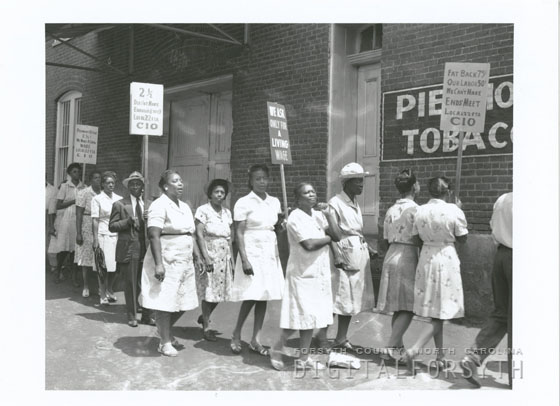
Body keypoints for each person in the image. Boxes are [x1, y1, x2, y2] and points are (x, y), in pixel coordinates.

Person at [270, 183, 339, 371]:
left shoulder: (318, 215)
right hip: (302, 273)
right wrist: (328, 239)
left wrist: (329, 215)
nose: (312, 195)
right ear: (298, 198)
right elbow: (308, 244)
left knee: (311, 317)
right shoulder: (295, 218)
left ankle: (303, 357)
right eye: (306, 192)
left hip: (319, 272)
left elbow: (337, 234)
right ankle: (276, 349)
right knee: (300, 316)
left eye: (313, 191)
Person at [402, 177, 468, 372]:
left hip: (426, 258)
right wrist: (457, 210)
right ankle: (415, 349)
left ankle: (440, 356)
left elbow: (415, 239)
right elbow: (463, 238)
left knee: (437, 309)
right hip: (446, 257)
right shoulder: (454, 210)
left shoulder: (419, 210)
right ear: (447, 191)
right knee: (443, 309)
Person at [141, 170, 204, 357]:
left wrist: (197, 256)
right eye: (175, 181)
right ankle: (164, 341)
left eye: (181, 180)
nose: (180, 184)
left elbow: (190, 234)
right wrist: (159, 264)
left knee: (184, 301)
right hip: (167, 257)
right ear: (165, 186)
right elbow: (153, 235)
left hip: (184, 259)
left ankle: (164, 331)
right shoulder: (159, 205)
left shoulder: (184, 206)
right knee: (165, 301)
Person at [316, 162, 376, 351]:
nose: (361, 184)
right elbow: (331, 231)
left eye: (362, 180)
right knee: (338, 297)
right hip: (343, 253)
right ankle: (322, 336)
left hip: (357, 251)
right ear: (347, 182)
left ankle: (341, 337)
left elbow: (355, 230)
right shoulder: (335, 203)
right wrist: (337, 255)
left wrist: (368, 246)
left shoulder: (354, 202)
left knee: (352, 298)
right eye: (357, 181)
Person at [230, 164, 285, 356]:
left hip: (269, 251)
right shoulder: (243, 202)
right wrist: (244, 259)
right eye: (257, 179)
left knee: (264, 296)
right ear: (251, 181)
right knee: (252, 295)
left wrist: (282, 225)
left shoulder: (274, 202)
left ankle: (256, 339)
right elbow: (238, 232)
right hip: (252, 250)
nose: (261, 182)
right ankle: (236, 334)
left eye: (264, 178)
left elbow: (277, 228)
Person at [461, 192, 513, 388]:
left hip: (501, 256)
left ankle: (473, 357)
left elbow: (493, 226)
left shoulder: (503, 199)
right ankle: (518, 376)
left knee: (501, 313)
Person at [377, 169, 421, 361]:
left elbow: (385, 238)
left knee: (398, 306)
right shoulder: (416, 210)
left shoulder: (391, 209)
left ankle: (398, 348)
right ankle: (390, 346)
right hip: (407, 255)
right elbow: (419, 237)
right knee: (409, 307)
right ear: (414, 186)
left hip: (391, 254)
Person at [109, 171, 155, 327]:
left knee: (148, 283)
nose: (135, 186)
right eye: (132, 184)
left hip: (146, 248)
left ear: (143, 186)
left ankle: (148, 316)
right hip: (130, 248)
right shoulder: (120, 204)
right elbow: (112, 226)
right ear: (128, 187)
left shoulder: (148, 204)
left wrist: (150, 220)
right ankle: (132, 315)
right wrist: (127, 221)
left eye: (138, 183)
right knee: (131, 283)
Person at [194, 179, 234, 341]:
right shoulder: (203, 210)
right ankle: (207, 327)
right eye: (216, 192)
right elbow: (199, 234)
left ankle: (205, 316)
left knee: (222, 291)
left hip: (224, 255)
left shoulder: (227, 212)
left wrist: (231, 259)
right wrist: (205, 257)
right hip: (210, 252)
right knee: (209, 291)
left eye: (222, 192)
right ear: (210, 194)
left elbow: (229, 237)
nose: (219, 195)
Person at [48, 163, 85, 284]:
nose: (77, 174)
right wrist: (73, 201)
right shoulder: (65, 186)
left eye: (78, 171)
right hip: (66, 218)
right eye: (74, 172)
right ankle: (57, 271)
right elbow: (58, 205)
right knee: (64, 248)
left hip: (79, 218)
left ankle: (74, 277)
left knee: (76, 249)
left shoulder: (83, 187)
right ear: (69, 174)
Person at [91, 171, 122, 305]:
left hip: (117, 236)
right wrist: (95, 239)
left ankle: (109, 290)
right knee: (102, 266)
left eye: (113, 183)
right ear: (102, 184)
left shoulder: (119, 198)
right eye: (108, 183)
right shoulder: (97, 199)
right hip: (103, 235)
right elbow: (95, 220)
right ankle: (102, 293)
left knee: (115, 266)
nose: (111, 185)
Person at [75, 170, 102, 298]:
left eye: (100, 178)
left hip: (100, 225)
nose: (98, 180)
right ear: (91, 180)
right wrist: (78, 233)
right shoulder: (83, 193)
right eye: (96, 178)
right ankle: (86, 286)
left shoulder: (103, 193)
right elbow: (79, 214)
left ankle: (100, 286)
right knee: (86, 257)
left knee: (99, 256)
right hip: (86, 224)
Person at [46, 179, 58, 273]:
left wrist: (51, 224)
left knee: (47, 240)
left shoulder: (53, 189)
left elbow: (51, 209)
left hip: (47, 215)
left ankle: (50, 264)